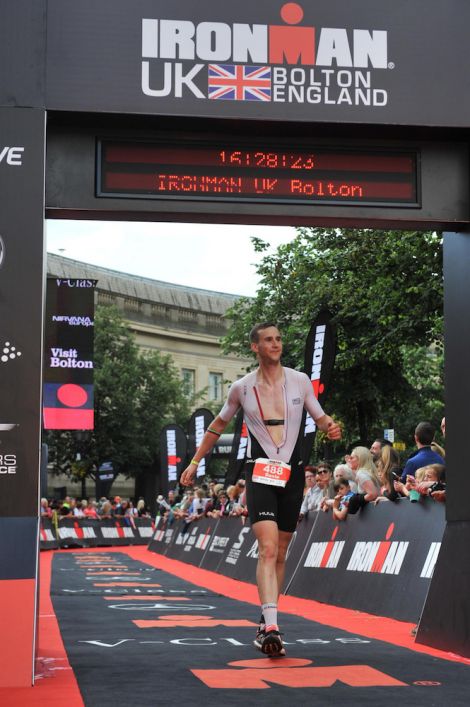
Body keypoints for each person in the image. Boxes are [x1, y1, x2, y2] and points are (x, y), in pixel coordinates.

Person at [180, 322, 341, 657]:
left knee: (281, 552)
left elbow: (320, 416)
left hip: (293, 474)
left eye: (279, 339)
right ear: (255, 347)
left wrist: (330, 427)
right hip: (261, 473)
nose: (276, 344)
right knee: (267, 549)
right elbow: (218, 425)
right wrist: (195, 461)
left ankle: (267, 616)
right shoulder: (241, 388)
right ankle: (271, 625)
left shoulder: (300, 380)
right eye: (268, 340)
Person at [347, 446, 381, 513]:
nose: (349, 460)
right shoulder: (367, 472)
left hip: (373, 513)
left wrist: (357, 500)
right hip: (377, 510)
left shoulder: (361, 474)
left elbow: (373, 494)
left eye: (351, 458)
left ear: (360, 459)